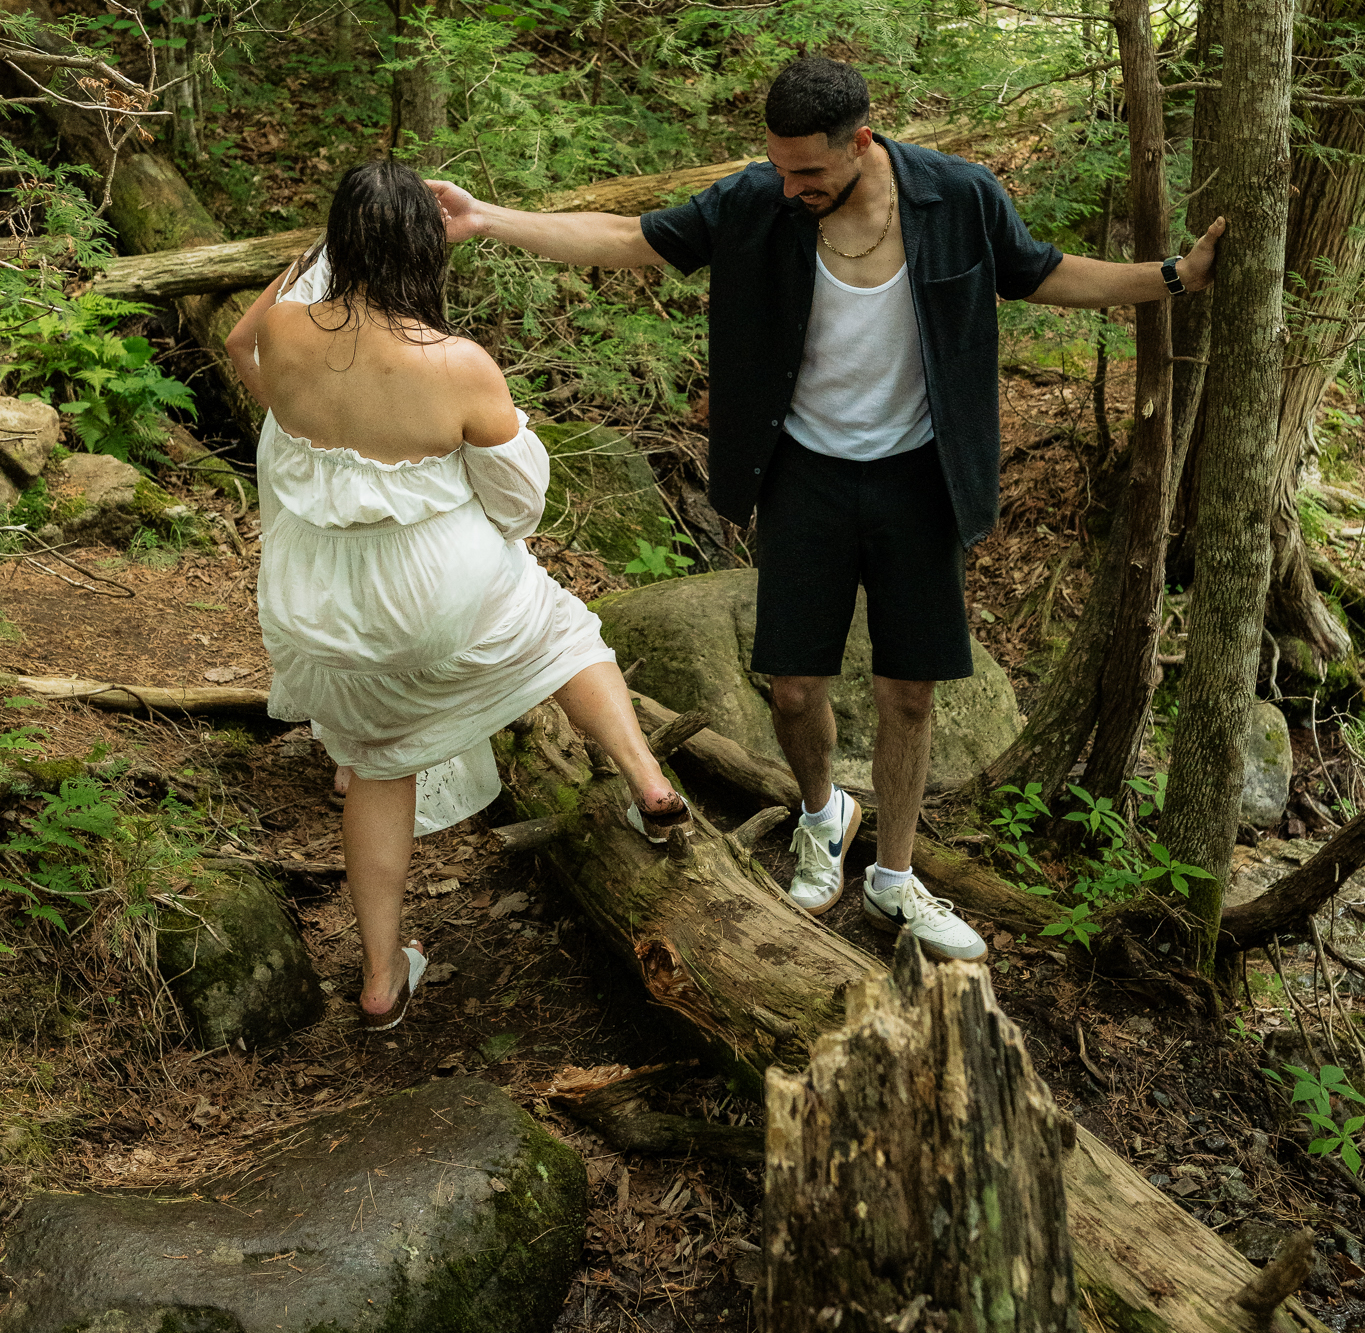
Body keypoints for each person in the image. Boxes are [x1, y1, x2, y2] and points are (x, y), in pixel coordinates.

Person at [430, 56, 1225, 962]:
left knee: (908, 692)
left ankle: (893, 877)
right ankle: (821, 815)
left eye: (807, 170)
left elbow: (1043, 273)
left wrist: (1175, 276)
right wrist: (486, 218)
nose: (789, 186)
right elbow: (628, 237)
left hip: (920, 476)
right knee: (795, 686)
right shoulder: (757, 201)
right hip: (802, 471)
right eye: (778, 166)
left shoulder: (955, 196)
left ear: (860, 141)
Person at [225, 161, 690, 1031]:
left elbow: (239, 345)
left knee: (377, 761)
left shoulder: (285, 329)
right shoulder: (457, 364)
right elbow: (519, 502)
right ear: (424, 249)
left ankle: (379, 980)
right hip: (431, 594)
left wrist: (292, 418)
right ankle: (649, 785)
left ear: (336, 244)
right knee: (561, 631)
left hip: (315, 599)